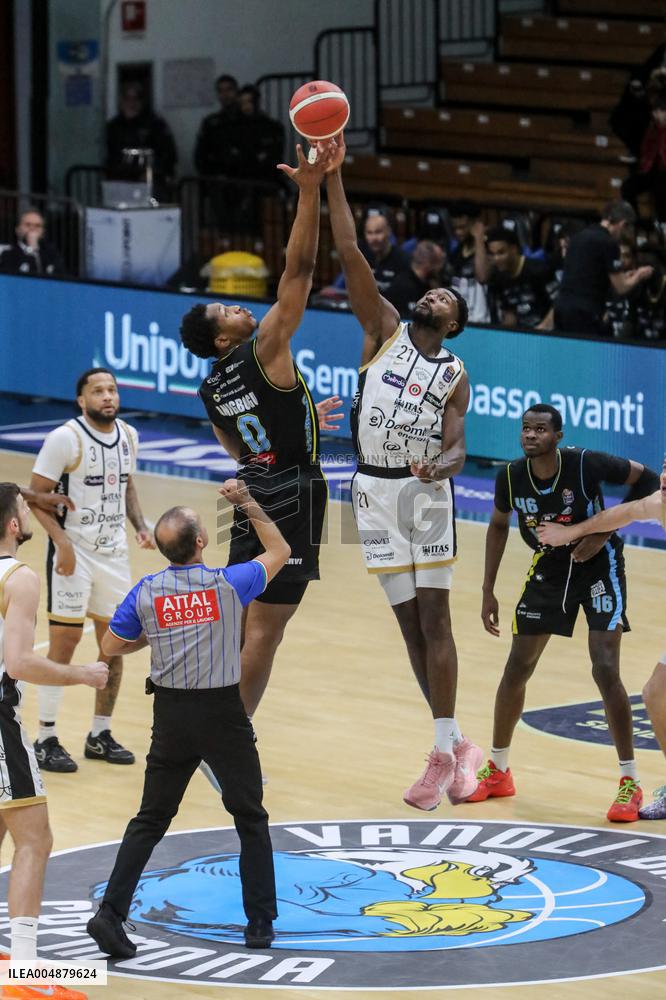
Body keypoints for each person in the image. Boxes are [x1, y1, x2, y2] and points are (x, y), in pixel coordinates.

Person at [324, 132, 482, 811]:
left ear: (455, 324)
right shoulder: (382, 329)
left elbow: (459, 450)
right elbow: (349, 250)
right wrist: (332, 177)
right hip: (369, 489)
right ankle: (456, 742)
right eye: (434, 290)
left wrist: (435, 465)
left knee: (437, 620)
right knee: (408, 627)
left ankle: (443, 752)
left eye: (447, 298)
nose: (436, 295)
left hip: (423, 493)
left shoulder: (455, 374)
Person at [86, 481, 288, 957]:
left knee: (150, 819)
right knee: (250, 816)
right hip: (223, 715)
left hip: (171, 717)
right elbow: (280, 549)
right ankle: (259, 923)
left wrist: (155, 634)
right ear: (200, 542)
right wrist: (246, 502)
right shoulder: (229, 583)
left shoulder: (146, 592)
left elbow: (111, 645)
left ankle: (110, 914)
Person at [179, 143, 334, 723]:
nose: (239, 309)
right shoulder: (266, 345)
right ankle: (230, 742)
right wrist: (310, 191)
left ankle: (212, 721)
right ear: (223, 339)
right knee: (266, 632)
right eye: (226, 312)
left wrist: (304, 418)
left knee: (243, 623)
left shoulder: (210, 388)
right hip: (292, 491)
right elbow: (300, 271)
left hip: (251, 492)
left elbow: (240, 448)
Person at [472, 404, 660, 821]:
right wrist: (487, 589)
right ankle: (498, 769)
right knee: (517, 667)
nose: (531, 435)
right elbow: (498, 525)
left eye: (540, 429)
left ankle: (630, 782)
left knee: (605, 668)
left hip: (599, 565)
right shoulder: (509, 476)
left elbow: (648, 479)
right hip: (550, 567)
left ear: (558, 436)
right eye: (526, 428)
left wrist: (604, 531)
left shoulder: (586, 463)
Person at [0, 483, 107, 995]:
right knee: (35, 839)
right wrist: (82, 674)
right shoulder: (18, 577)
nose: (30, 514)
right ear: (13, 525)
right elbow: (20, 663)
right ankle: (25, 967)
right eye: (25, 508)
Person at [28, 368, 154, 773]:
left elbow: (126, 484)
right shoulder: (65, 438)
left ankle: (100, 734)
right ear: (82, 400)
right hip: (74, 554)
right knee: (63, 644)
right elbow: (35, 497)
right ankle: (46, 738)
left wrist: (140, 526)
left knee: (114, 645)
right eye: (98, 391)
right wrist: (61, 543)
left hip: (114, 555)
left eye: (112, 389)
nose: (107, 396)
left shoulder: (130, 435)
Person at [537, 460, 666, 820]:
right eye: (665, 467)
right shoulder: (659, 504)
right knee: (656, 693)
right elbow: (619, 514)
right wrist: (572, 532)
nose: (665, 476)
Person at [553, 201, 653, 337]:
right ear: (623, 224)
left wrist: (626, 275)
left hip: (561, 307)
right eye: (627, 229)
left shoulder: (578, 237)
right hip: (585, 313)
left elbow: (588, 275)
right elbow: (621, 287)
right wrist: (639, 275)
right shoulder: (609, 243)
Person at [105, 81, 177, 200]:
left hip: (149, 182)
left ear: (142, 101)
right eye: (127, 98)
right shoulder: (114, 126)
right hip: (121, 181)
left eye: (136, 98)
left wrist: (153, 172)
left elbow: (168, 154)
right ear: (121, 100)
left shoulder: (155, 125)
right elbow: (110, 154)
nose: (131, 103)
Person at [486, 225, 553, 330]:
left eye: (501, 253)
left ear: (514, 249)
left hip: (547, 332)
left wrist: (542, 328)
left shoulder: (539, 270)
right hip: (522, 333)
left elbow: (558, 303)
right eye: (492, 254)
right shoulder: (498, 278)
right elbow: (510, 314)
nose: (496, 258)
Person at [447, 200, 490, 324]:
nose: (458, 232)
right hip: (461, 320)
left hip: (484, 321)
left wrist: (479, 238)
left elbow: (482, 276)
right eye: (455, 228)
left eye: (462, 227)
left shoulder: (490, 247)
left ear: (476, 224)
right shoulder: (457, 250)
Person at [193, 74, 241, 178]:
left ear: (237, 92)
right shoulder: (211, 123)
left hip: (243, 179)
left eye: (229, 90)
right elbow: (200, 156)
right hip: (217, 179)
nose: (225, 94)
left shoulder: (247, 120)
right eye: (220, 91)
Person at [385, 240, 447, 318]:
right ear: (428, 264)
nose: (440, 268)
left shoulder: (430, 285)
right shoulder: (401, 287)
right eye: (439, 263)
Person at [0, 209, 65, 278]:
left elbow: (61, 275)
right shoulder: (8, 253)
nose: (32, 228)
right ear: (18, 230)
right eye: (28, 225)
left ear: (43, 232)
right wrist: (31, 248)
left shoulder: (51, 254)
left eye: (37, 226)